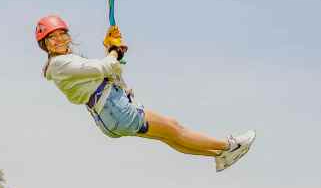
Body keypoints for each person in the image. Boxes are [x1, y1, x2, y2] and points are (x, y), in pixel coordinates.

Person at [35, 14, 255, 172]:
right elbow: (104, 68)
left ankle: (219, 155)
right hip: (114, 109)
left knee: (170, 136)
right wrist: (113, 50)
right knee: (175, 128)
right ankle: (229, 145)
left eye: (63, 35)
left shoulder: (65, 63)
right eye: (52, 38)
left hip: (110, 113)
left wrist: (113, 52)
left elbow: (109, 69)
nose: (60, 40)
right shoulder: (59, 65)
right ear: (45, 45)